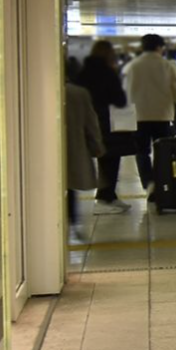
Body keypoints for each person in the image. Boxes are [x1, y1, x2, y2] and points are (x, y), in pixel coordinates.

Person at [78, 40, 131, 212]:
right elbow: (120, 100)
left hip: (87, 120)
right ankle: (105, 197)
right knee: (111, 159)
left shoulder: (83, 73)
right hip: (107, 121)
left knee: (100, 158)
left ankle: (107, 196)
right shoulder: (108, 73)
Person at [124, 33, 176, 193]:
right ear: (159, 47)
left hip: (138, 116)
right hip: (163, 116)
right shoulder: (168, 66)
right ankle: (161, 181)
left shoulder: (132, 66)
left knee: (142, 152)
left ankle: (149, 184)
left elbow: (125, 92)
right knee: (162, 152)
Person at [64, 56, 105, 232]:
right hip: (73, 148)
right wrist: (97, 145)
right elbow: (91, 123)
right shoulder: (79, 93)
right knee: (69, 184)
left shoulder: (37, 91)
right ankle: (70, 220)